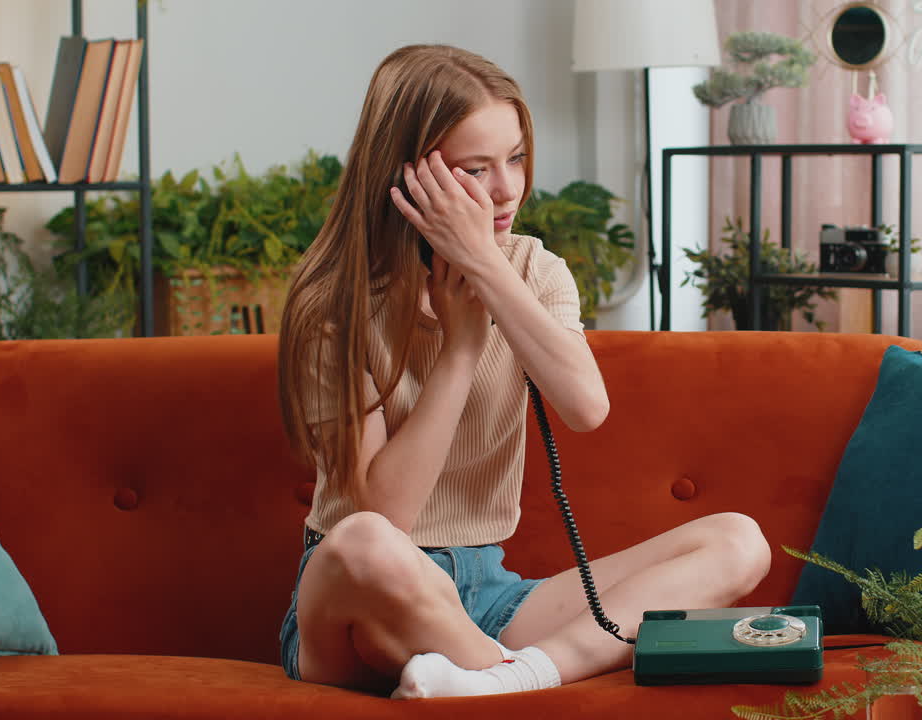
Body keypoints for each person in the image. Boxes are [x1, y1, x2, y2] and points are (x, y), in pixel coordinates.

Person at [276, 44, 771, 700]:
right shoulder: (332, 304)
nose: (508, 189)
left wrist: (485, 268)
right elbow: (385, 514)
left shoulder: (534, 271)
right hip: (359, 599)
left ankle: (505, 677)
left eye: (515, 158)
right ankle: (517, 683)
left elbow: (585, 407)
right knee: (362, 541)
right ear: (406, 178)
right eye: (475, 169)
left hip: (488, 592)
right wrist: (459, 351)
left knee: (740, 541)